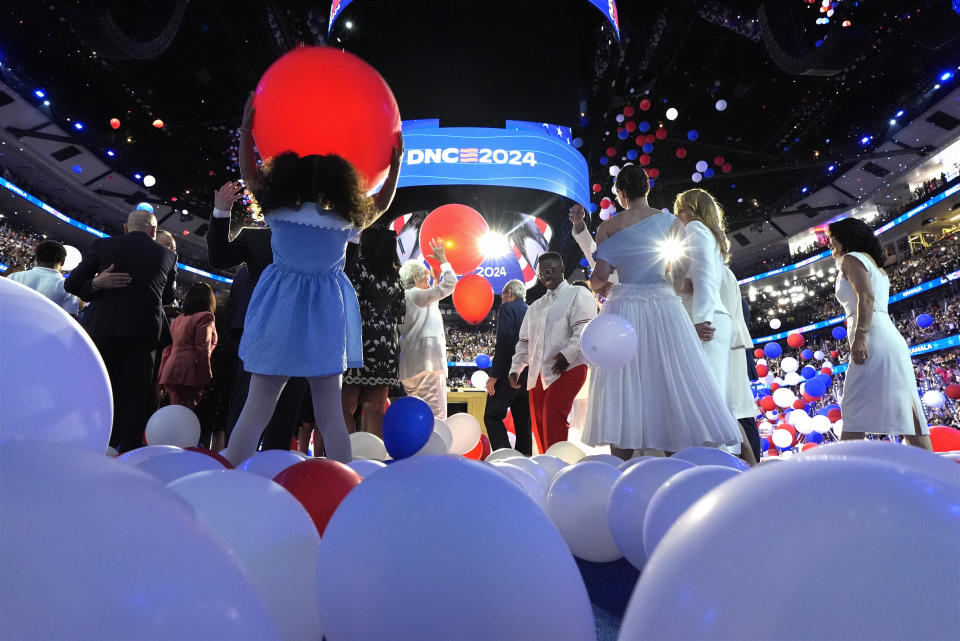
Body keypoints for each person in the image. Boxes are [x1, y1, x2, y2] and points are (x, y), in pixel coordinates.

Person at [219, 94, 402, 465]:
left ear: (290, 178)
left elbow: (251, 175)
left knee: (256, 407)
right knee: (330, 413)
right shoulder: (344, 221)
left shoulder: (279, 212)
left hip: (278, 312)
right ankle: (343, 483)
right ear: (340, 185)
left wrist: (246, 131)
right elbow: (380, 205)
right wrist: (395, 164)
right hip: (325, 316)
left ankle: (231, 473)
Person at [581, 166, 740, 457]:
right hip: (664, 306)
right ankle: (676, 463)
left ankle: (622, 466)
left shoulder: (609, 228)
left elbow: (599, 278)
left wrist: (596, 285)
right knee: (669, 378)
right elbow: (679, 275)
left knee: (623, 383)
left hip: (624, 308)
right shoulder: (671, 222)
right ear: (647, 189)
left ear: (621, 193)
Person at [64, 210, 178, 452]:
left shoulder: (104, 245)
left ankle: (87, 442)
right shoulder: (168, 255)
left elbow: (71, 283)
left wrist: (96, 283)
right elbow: (168, 296)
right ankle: (127, 453)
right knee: (136, 397)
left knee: (96, 387)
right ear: (154, 232)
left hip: (103, 328)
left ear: (126, 228)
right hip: (145, 334)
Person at [829, 218, 932, 449]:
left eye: (832, 238)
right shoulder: (875, 265)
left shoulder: (850, 259)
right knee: (907, 405)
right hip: (887, 333)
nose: (829, 244)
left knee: (854, 405)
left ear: (845, 239)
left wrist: (861, 337)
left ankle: (843, 469)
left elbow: (866, 297)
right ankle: (933, 469)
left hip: (871, 334)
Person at [673, 188, 753, 462]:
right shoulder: (708, 234)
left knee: (706, 396)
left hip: (706, 321)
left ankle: (716, 460)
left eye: (679, 207)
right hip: (711, 319)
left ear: (689, 208)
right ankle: (721, 459)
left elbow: (705, 279)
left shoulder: (694, 229)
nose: (677, 213)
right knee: (714, 395)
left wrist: (700, 320)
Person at [509, 252, 597, 451]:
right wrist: (516, 368)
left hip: (569, 366)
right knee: (540, 422)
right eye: (541, 274)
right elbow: (524, 343)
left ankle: (558, 465)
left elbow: (584, 329)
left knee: (553, 415)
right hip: (540, 372)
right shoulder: (536, 306)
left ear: (561, 269)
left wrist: (567, 355)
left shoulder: (577, 294)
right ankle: (546, 466)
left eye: (549, 270)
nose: (546, 276)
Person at [341, 226, 406, 437]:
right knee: (376, 409)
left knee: (345, 407)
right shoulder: (395, 276)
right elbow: (399, 311)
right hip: (387, 343)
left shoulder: (358, 268)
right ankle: (373, 459)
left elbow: (350, 302)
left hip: (359, 341)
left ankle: (346, 458)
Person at [398, 242, 457, 419]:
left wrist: (436, 279)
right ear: (415, 277)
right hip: (427, 367)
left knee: (417, 418)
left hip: (411, 367)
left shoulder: (406, 297)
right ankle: (436, 448)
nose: (428, 281)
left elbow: (431, 302)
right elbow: (450, 284)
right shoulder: (415, 294)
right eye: (425, 277)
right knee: (436, 418)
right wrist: (444, 262)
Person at [484, 279, 532, 454]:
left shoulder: (507, 308)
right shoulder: (530, 310)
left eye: (502, 295)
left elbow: (504, 342)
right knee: (523, 421)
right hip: (528, 374)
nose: (501, 299)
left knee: (492, 416)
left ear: (509, 293)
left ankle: (504, 457)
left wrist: (494, 375)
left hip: (508, 373)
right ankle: (525, 458)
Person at [157, 282, 218, 409]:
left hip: (171, 372)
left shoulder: (179, 319)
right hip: (189, 375)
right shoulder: (205, 317)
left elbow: (167, 350)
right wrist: (206, 376)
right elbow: (203, 350)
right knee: (184, 415)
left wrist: (160, 378)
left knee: (173, 412)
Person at [8, 239, 80, 316]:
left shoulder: (13, 277)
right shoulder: (68, 288)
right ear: (63, 261)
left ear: (36, 258)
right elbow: (70, 320)